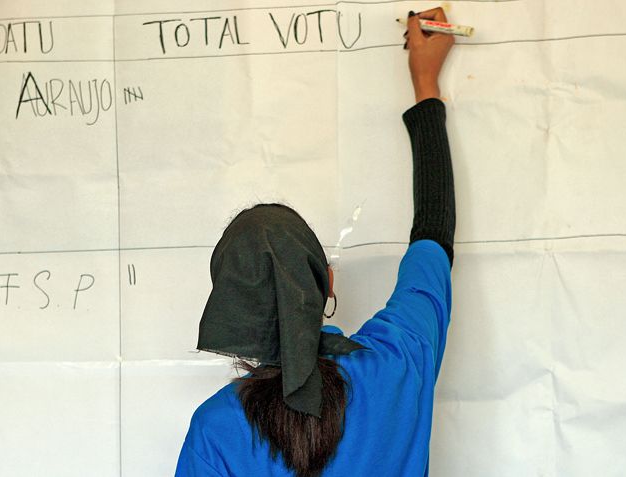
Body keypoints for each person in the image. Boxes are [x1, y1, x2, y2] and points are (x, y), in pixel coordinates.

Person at [176, 7, 456, 476]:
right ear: (328, 282)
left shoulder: (215, 430)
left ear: (229, 310)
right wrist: (425, 82)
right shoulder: (397, 363)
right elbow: (435, 234)